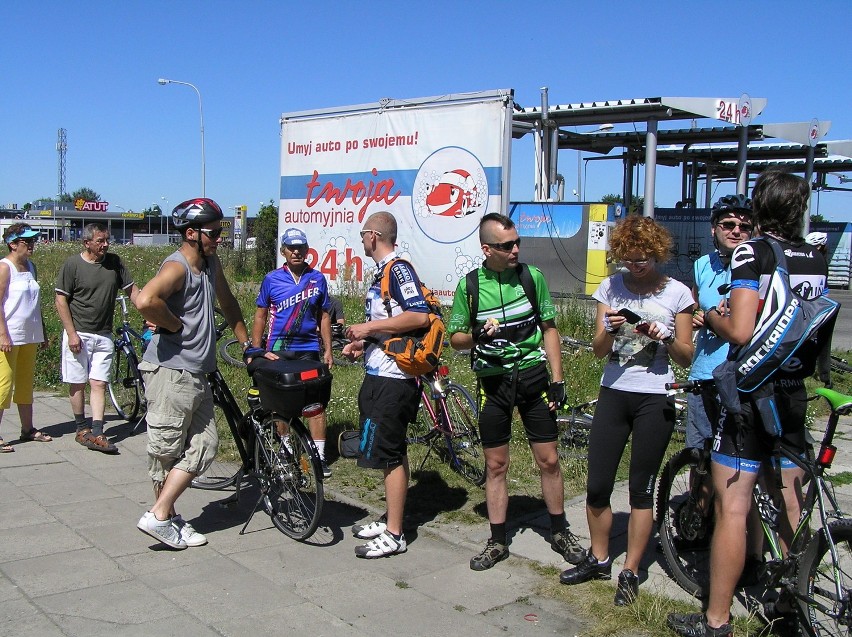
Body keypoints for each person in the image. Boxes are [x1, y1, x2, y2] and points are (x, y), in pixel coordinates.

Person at [668, 170, 832, 636]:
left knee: (734, 505)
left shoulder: (751, 251)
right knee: (789, 501)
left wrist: (715, 317)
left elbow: (740, 330)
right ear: (800, 208)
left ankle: (716, 620)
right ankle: (790, 601)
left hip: (751, 390)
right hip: (793, 391)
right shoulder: (814, 256)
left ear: (759, 208)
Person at [560, 215, 694, 606]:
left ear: (656, 254)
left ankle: (630, 570)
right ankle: (599, 557)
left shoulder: (677, 293)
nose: (636, 267)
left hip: (655, 396)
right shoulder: (611, 287)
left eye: (643, 260)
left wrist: (665, 335)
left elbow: (685, 356)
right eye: (629, 260)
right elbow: (599, 350)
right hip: (614, 393)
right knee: (598, 485)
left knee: (640, 490)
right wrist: (612, 328)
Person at [447, 212, 584, 572]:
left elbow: (549, 328)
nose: (516, 250)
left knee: (549, 460)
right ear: (486, 249)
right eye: (507, 246)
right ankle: (497, 540)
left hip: (533, 378)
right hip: (493, 384)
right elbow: (455, 338)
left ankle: (560, 530)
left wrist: (558, 379)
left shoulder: (530, 277)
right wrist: (478, 336)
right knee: (496, 465)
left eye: (517, 243)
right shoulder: (470, 286)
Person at [135, 198, 253, 550]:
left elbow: (228, 302)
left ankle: (162, 514)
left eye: (222, 231)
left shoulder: (210, 263)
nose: (220, 238)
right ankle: (163, 518)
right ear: (191, 233)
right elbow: (145, 301)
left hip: (197, 373)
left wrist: (247, 343)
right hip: (170, 373)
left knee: (206, 445)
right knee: (167, 452)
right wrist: (173, 325)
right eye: (214, 232)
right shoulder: (177, 268)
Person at [342, 211, 430, 558]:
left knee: (390, 454)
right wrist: (363, 342)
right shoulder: (383, 273)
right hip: (380, 371)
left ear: (374, 236)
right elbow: (389, 324)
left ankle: (395, 534)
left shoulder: (398, 270)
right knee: (392, 451)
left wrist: (364, 330)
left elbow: (419, 315)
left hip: (395, 379)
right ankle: (391, 518)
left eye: (363, 234)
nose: (361, 240)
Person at [251, 227, 334, 477]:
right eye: (291, 247)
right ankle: (287, 453)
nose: (296, 252)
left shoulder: (317, 278)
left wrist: (328, 349)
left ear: (308, 250)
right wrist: (256, 350)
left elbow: (324, 315)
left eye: (300, 247)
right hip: (278, 350)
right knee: (280, 406)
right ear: (283, 251)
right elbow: (260, 314)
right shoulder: (272, 279)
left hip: (308, 349)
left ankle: (318, 459)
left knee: (315, 404)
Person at [55, 223, 139, 453]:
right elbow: (61, 300)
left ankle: (98, 430)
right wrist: (71, 333)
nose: (105, 245)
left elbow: (134, 293)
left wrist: (150, 312)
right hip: (79, 333)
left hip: (104, 334)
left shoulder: (115, 263)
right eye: (100, 241)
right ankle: (82, 428)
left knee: (100, 382)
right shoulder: (72, 265)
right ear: (87, 243)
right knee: (77, 382)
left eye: (106, 240)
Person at [686, 195, 754, 451]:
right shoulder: (702, 265)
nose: (736, 231)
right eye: (728, 225)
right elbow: (693, 306)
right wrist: (697, 317)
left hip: (741, 373)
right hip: (703, 371)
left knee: (737, 454)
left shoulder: (759, 267)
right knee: (698, 454)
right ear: (714, 229)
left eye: (744, 227)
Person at [0, 224, 50, 452]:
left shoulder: (31, 267)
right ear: (13, 244)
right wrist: (3, 334)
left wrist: (43, 332)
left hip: (30, 334)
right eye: (26, 241)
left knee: (25, 383)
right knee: (3, 385)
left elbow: (34, 304)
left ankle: (27, 429)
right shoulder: (5, 267)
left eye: (33, 241)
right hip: (8, 336)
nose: (31, 245)